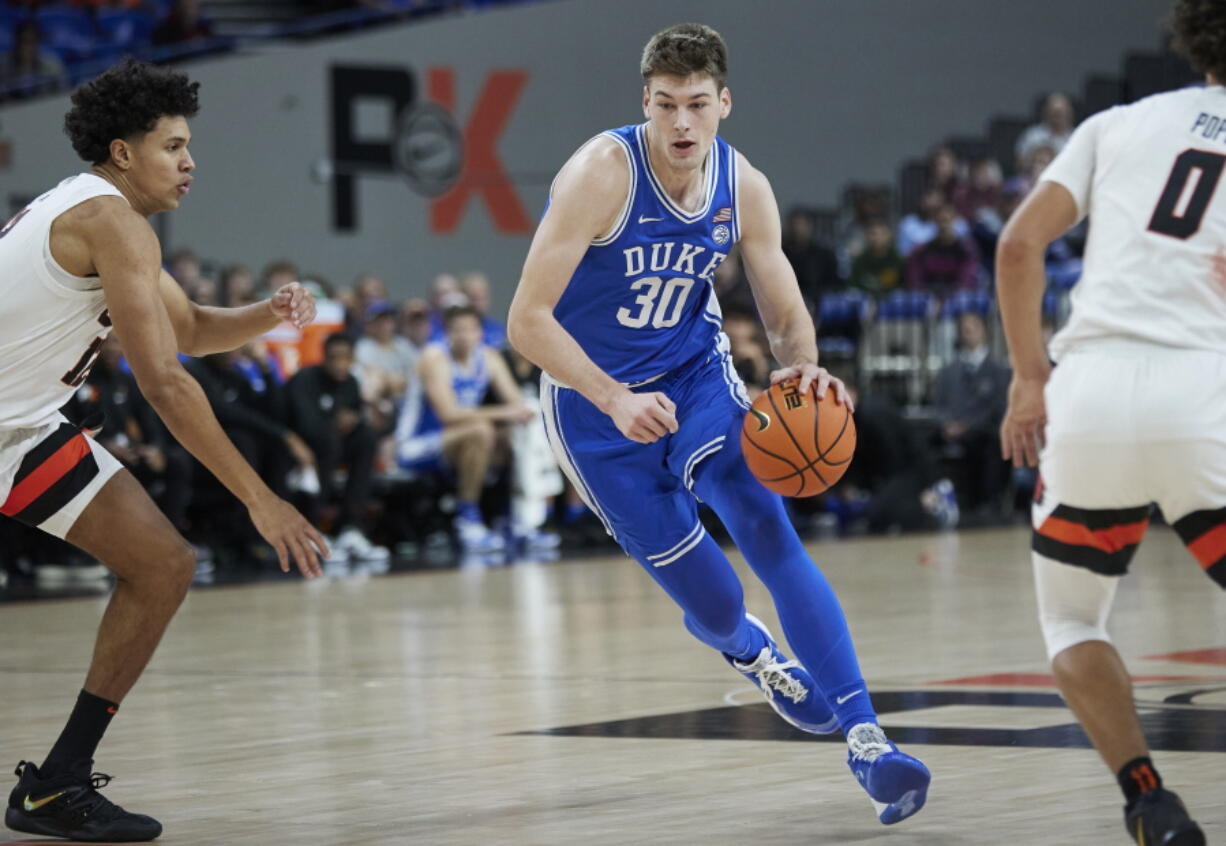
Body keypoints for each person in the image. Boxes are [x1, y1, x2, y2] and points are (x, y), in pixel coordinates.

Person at [507, 23, 930, 825]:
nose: (681, 124)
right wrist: (612, 398)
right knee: (711, 597)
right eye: (665, 104)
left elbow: (782, 306)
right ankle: (752, 652)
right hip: (594, 407)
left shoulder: (746, 186)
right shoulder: (602, 173)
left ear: (724, 104)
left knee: (764, 520)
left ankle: (868, 737)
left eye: (697, 104)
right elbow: (526, 321)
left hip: (696, 373)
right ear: (645, 103)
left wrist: (801, 365)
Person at [0, 60, 327, 843]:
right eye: (173, 146)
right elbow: (165, 383)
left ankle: (57, 785)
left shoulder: (108, 220)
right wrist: (262, 498)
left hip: (20, 429)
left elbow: (188, 330)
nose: (190, 162)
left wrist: (268, 313)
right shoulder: (112, 222)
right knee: (166, 564)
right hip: (11, 425)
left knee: (163, 565)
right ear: (122, 153)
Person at [996, 3, 1223, 842]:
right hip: (1205, 390)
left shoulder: (1117, 122)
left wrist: (1028, 379)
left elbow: (1018, 248)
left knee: (1073, 620)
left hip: (1089, 395)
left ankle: (1147, 801)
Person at [394, 305, 533, 552]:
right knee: (481, 431)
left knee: (514, 435)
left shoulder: (488, 357)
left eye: (470, 329)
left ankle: (515, 518)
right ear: (447, 333)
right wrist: (505, 413)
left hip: (459, 440)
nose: (465, 335)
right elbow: (449, 414)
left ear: (480, 332)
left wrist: (518, 412)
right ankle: (466, 518)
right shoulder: (434, 358)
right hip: (416, 444)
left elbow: (517, 403)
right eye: (458, 330)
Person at [286, 332, 389, 569]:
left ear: (352, 359)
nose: (340, 364)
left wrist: (354, 420)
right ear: (324, 357)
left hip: (332, 446)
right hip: (296, 449)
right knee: (327, 441)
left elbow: (355, 416)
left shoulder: (351, 382)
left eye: (346, 358)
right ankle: (312, 529)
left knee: (365, 438)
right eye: (334, 357)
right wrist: (335, 421)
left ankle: (351, 527)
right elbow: (304, 424)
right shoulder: (305, 379)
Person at [931, 311, 1010, 515]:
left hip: (984, 434)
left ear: (984, 331)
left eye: (973, 327)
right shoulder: (948, 372)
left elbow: (997, 408)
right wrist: (947, 424)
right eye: (964, 328)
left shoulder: (999, 371)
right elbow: (939, 405)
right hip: (953, 433)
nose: (967, 332)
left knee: (991, 441)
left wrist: (968, 426)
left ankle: (989, 505)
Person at [1015, 91, 1075, 164]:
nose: (1057, 118)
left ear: (1069, 114)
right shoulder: (1032, 135)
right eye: (1054, 113)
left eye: (1060, 113)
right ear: (1046, 112)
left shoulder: (1076, 137)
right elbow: (1019, 165)